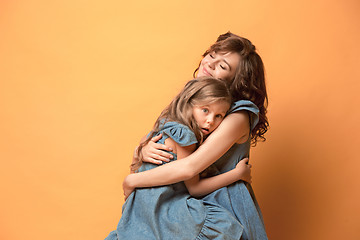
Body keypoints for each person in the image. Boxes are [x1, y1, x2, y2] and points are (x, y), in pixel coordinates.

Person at [121, 32, 269, 240]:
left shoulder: (238, 116)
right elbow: (167, 139)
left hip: (219, 208)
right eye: (212, 55)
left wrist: (132, 181)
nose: (210, 63)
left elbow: (190, 166)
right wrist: (143, 149)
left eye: (223, 66)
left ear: (237, 81)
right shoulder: (197, 101)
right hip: (185, 206)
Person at [106, 76, 253, 240]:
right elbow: (195, 188)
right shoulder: (185, 138)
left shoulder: (165, 125)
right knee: (223, 226)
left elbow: (136, 164)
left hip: (138, 214)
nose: (211, 120)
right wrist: (238, 174)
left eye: (219, 115)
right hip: (163, 213)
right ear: (188, 104)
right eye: (205, 110)